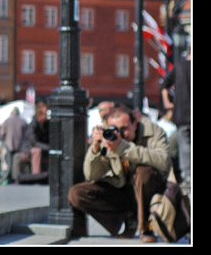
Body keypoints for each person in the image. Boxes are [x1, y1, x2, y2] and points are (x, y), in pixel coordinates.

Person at [68, 104, 170, 243]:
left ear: (134, 124)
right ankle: (128, 218)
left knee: (143, 172)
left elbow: (164, 161)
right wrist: (95, 148)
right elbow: (92, 175)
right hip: (123, 190)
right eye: (116, 129)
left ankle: (145, 227)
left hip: (153, 192)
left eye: (124, 129)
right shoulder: (110, 137)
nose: (120, 134)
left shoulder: (153, 131)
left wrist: (123, 148)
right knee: (77, 193)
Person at [161, 47, 190, 191]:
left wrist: (167, 103)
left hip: (182, 113)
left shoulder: (179, 66)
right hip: (184, 113)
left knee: (185, 145)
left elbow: (164, 85)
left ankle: (188, 176)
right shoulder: (180, 66)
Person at [12, 101, 50, 183]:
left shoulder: (46, 124)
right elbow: (34, 142)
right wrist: (48, 147)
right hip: (28, 150)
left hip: (42, 149)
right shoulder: (33, 125)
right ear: (38, 114)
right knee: (37, 151)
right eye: (44, 113)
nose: (46, 116)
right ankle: (36, 177)